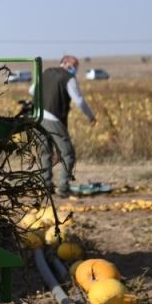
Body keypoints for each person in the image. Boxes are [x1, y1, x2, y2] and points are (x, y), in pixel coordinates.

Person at [32, 55, 97, 198]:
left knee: (45, 153)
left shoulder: (47, 72)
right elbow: (79, 101)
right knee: (68, 154)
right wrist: (91, 116)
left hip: (37, 117)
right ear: (65, 63)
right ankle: (63, 188)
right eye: (75, 65)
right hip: (53, 118)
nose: (76, 68)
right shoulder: (69, 78)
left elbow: (32, 90)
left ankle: (46, 187)